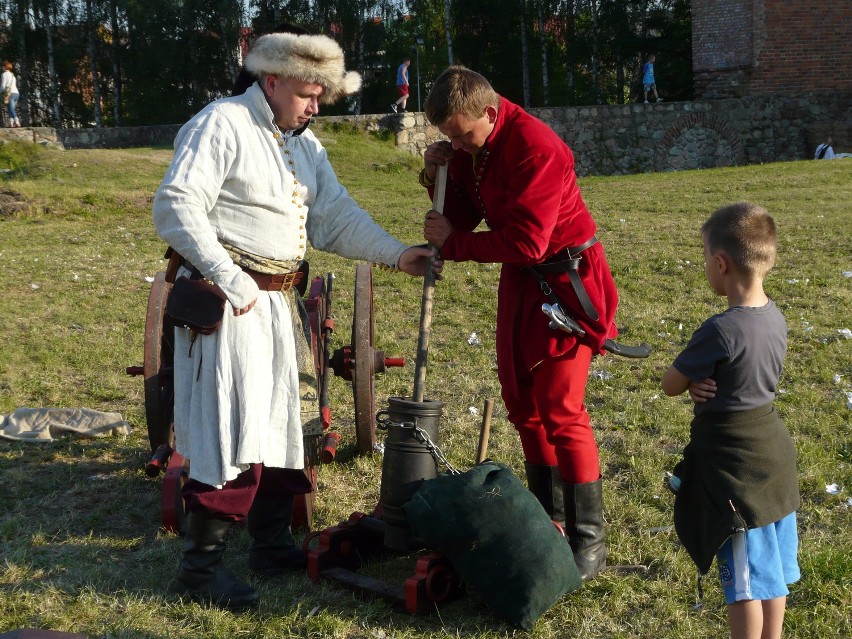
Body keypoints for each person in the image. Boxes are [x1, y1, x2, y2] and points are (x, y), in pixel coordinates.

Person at [152, 31, 439, 611]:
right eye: (309, 94)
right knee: (227, 429)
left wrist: (397, 253)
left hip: (274, 306)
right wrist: (233, 283)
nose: (316, 107)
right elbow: (176, 205)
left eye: (322, 97)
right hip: (228, 306)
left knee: (279, 422)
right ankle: (200, 571)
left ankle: (270, 543)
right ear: (273, 80)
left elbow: (334, 216)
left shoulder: (304, 146)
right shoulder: (223, 124)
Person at [419, 65, 620, 580]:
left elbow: (528, 241)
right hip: (523, 282)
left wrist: (453, 245)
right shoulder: (474, 147)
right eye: (450, 139)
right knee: (523, 405)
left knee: (560, 408)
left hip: (568, 281)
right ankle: (546, 521)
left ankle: (586, 542)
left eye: (462, 135)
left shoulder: (538, 146)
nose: (459, 145)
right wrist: (435, 174)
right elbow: (463, 217)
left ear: (490, 112)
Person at [662, 202, 800, 639]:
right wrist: (705, 381)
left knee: (744, 585)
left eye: (705, 256)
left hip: (736, 472)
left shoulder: (719, 330)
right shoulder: (775, 317)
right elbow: (744, 376)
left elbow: (669, 383)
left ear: (721, 263)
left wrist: (689, 383)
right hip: (774, 461)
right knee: (771, 573)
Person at [1, 61, 20, 128]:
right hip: (16, 94)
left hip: (10, 93)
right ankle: (12, 123)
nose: (2, 67)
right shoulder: (12, 75)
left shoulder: (4, 74)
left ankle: (17, 121)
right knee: (10, 108)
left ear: (5, 67)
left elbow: (3, 86)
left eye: (3, 66)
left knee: (11, 108)